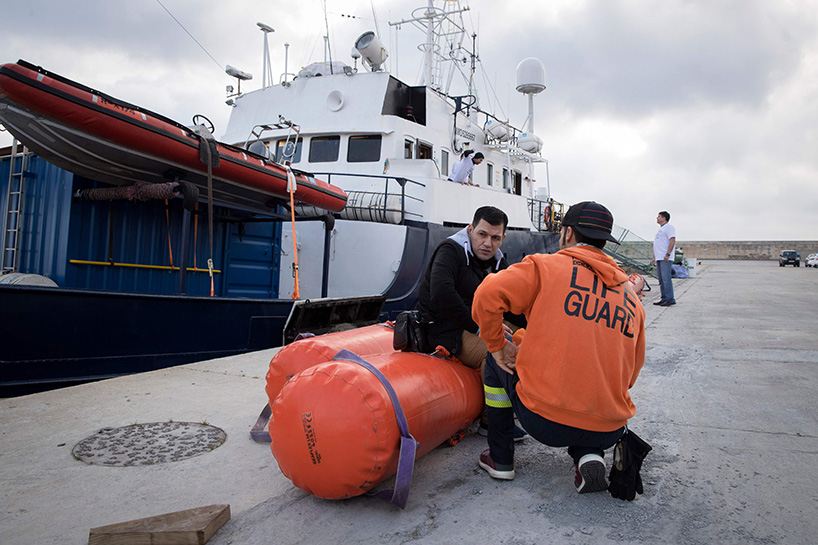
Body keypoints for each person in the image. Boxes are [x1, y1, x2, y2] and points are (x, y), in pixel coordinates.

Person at [471, 201, 646, 496]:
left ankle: (500, 458)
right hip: (609, 428)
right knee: (590, 391)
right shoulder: (632, 299)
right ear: (605, 242)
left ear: (566, 234)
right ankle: (588, 455)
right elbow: (631, 373)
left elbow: (487, 293)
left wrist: (498, 345)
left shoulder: (544, 267)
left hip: (544, 423)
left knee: (492, 361)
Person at [417, 205, 528, 439]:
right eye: (482, 234)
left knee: (527, 338)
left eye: (495, 238)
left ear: (503, 238)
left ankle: (524, 399)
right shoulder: (451, 251)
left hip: (477, 324)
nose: (488, 243)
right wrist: (482, 328)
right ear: (470, 230)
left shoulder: (497, 264)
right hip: (444, 329)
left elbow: (512, 303)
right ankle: (493, 422)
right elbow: (441, 293)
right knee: (496, 349)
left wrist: (534, 325)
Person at [652, 211, 676, 306]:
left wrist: (668, 254)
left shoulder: (669, 227)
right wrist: (655, 257)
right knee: (661, 280)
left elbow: (672, 240)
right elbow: (659, 245)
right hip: (659, 257)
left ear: (664, 218)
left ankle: (670, 299)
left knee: (666, 279)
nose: (657, 218)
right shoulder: (661, 229)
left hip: (665, 258)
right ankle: (664, 298)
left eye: (659, 217)